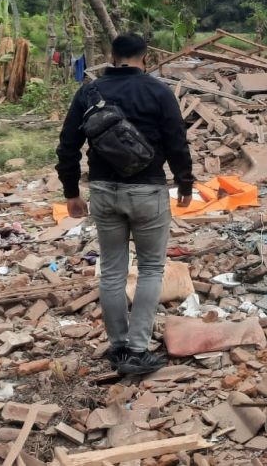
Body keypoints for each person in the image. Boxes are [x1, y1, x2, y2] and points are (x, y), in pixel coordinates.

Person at [56, 33, 194, 376]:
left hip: (103, 191)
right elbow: (177, 140)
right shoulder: (158, 91)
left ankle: (117, 346)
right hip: (147, 191)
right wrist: (185, 182)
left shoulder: (89, 91)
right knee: (150, 269)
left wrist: (71, 191)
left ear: (111, 55)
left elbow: (68, 144)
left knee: (113, 269)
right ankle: (137, 350)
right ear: (144, 58)